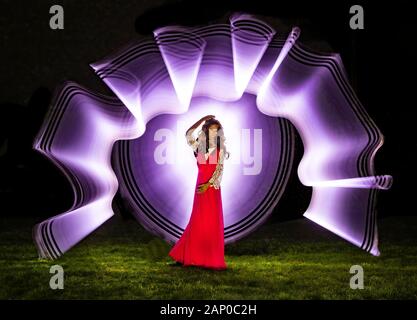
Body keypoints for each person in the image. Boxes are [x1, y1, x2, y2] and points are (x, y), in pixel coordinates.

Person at [168, 115, 230, 270]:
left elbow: (219, 170)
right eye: (211, 129)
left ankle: (207, 258)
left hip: (211, 189)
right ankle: (185, 257)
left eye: (217, 130)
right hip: (199, 188)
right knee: (197, 221)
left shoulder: (220, 149)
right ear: (206, 131)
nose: (214, 132)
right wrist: (202, 119)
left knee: (210, 223)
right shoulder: (199, 147)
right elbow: (188, 133)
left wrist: (208, 185)